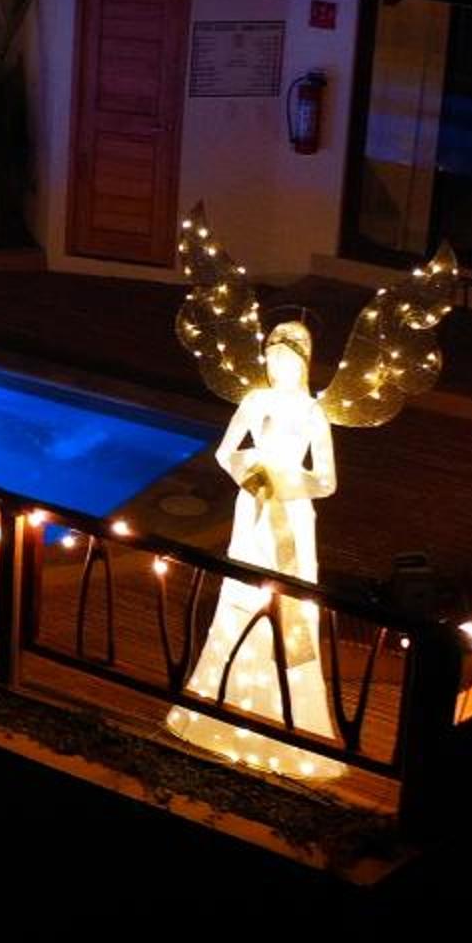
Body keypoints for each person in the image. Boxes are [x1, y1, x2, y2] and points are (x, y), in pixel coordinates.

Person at [165, 317, 341, 776]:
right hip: (254, 508)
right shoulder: (255, 401)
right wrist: (252, 473)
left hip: (292, 516)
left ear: (303, 363)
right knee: (241, 592)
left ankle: (290, 714)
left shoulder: (312, 413)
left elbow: (326, 480)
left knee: (287, 599)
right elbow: (226, 451)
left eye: (289, 360)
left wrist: (286, 482)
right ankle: (224, 695)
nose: (280, 367)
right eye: (274, 359)